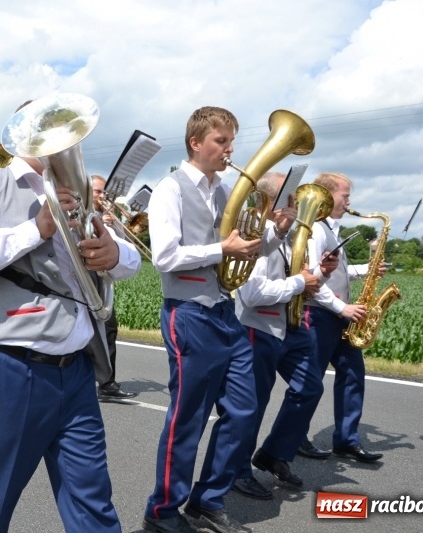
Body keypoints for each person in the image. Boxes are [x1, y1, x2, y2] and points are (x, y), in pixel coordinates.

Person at [0, 100, 141, 533]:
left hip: (77, 370)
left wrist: (113, 254)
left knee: (93, 502)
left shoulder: (82, 191)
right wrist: (38, 228)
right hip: (12, 366)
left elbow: (132, 261)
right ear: (22, 135)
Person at [143, 106, 294, 533]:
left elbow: (247, 247)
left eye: (230, 142)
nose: (229, 150)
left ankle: (207, 499)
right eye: (220, 141)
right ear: (196, 143)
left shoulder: (226, 191)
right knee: (187, 417)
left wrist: (275, 233)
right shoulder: (169, 190)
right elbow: (165, 257)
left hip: (225, 311)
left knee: (244, 410)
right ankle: (162, 510)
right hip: (188, 312)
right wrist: (221, 250)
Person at [233, 172, 337, 500]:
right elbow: (252, 293)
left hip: (289, 327)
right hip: (258, 328)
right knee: (253, 403)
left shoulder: (290, 236)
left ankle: (274, 453)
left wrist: (321, 271)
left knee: (309, 386)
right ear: (272, 203)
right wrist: (299, 284)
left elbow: (301, 281)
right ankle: (236, 471)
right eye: (290, 199)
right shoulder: (254, 235)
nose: (296, 206)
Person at [297, 171, 387, 463]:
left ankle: (347, 440)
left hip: (339, 316)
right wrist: (342, 308)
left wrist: (366, 269)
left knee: (352, 374)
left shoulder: (334, 230)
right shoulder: (315, 230)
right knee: (310, 382)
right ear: (327, 195)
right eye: (345, 195)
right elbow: (310, 278)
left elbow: (336, 272)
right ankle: (296, 437)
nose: (349, 201)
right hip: (320, 314)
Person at [91, 174, 137, 401]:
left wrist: (114, 228)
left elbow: (126, 248)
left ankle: (107, 382)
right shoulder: (82, 216)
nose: (103, 197)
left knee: (109, 330)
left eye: (104, 193)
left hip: (103, 285)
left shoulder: (106, 218)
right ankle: (96, 380)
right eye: (98, 192)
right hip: (86, 284)